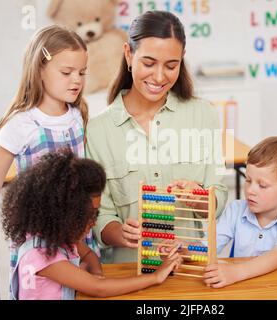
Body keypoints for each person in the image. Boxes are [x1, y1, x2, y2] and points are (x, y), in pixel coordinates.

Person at [85, 10, 228, 263]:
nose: (160, 77)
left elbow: (219, 197)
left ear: (182, 60)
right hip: (127, 274)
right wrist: (121, 233)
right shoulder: (97, 131)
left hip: (188, 270)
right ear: (129, 55)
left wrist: (200, 200)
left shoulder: (204, 115)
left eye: (171, 65)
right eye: (149, 63)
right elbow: (100, 217)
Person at [0, 25, 99, 274]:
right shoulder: (21, 123)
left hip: (77, 237)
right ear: (39, 70)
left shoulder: (78, 116)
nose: (77, 80)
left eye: (82, 72)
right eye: (67, 72)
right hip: (41, 242)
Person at [3, 150, 181, 300]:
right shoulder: (42, 256)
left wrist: (94, 270)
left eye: (95, 214)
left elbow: (89, 255)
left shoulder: (54, 236)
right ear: (61, 213)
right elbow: (99, 288)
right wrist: (156, 277)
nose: (93, 221)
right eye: (86, 215)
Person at [201, 137, 277, 288]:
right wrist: (183, 250)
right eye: (248, 180)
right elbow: (207, 247)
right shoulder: (236, 210)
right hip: (242, 289)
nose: (250, 190)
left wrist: (235, 272)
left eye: (262, 185)